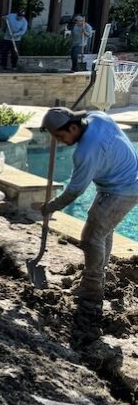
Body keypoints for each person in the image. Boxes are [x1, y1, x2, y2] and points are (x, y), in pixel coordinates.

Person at [40, 107, 138, 344]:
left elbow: (75, 190)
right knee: (102, 231)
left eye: (62, 137)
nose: (62, 143)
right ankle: (98, 275)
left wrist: (51, 206)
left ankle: (92, 292)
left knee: (90, 238)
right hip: (120, 183)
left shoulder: (85, 151)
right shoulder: (97, 117)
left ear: (73, 128)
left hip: (123, 189)